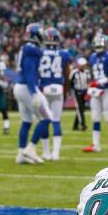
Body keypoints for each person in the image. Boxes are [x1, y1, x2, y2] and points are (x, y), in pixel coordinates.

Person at [13, 23, 54, 164]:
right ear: (36, 35)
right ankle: (30, 149)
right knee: (47, 118)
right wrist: (34, 92)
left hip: (19, 86)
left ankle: (21, 154)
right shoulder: (32, 50)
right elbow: (30, 71)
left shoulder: (25, 48)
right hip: (27, 87)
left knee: (27, 121)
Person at [38, 27, 72, 161]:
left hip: (44, 89)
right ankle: (55, 153)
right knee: (56, 121)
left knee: (44, 120)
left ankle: (46, 152)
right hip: (58, 88)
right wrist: (66, 90)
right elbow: (67, 74)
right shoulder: (64, 53)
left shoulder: (40, 52)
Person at [69, 57, 90, 131]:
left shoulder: (87, 72)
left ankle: (75, 126)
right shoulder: (74, 72)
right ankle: (83, 124)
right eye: (81, 65)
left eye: (83, 65)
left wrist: (88, 91)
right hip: (76, 91)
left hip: (84, 91)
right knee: (79, 108)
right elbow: (70, 83)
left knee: (82, 109)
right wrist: (70, 92)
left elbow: (88, 82)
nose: (82, 66)